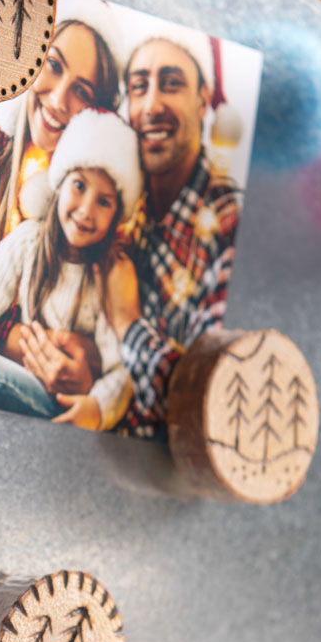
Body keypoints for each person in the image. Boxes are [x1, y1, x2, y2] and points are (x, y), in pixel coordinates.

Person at [0, 0, 125, 394]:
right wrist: (40, 344)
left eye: (83, 91)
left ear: (97, 112)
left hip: (44, 392)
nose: (57, 100)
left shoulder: (88, 204)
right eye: (53, 66)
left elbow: (107, 339)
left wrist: (88, 356)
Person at [0, 110, 142, 430]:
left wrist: (97, 407)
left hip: (55, 403)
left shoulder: (107, 277)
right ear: (60, 183)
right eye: (79, 186)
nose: (86, 210)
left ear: (117, 213)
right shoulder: (30, 238)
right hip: (6, 377)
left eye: (104, 202)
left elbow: (121, 370)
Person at [114, 25, 244, 437]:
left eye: (171, 84)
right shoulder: (116, 205)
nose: (151, 105)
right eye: (139, 87)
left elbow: (199, 402)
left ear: (204, 101)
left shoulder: (227, 222)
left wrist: (127, 324)